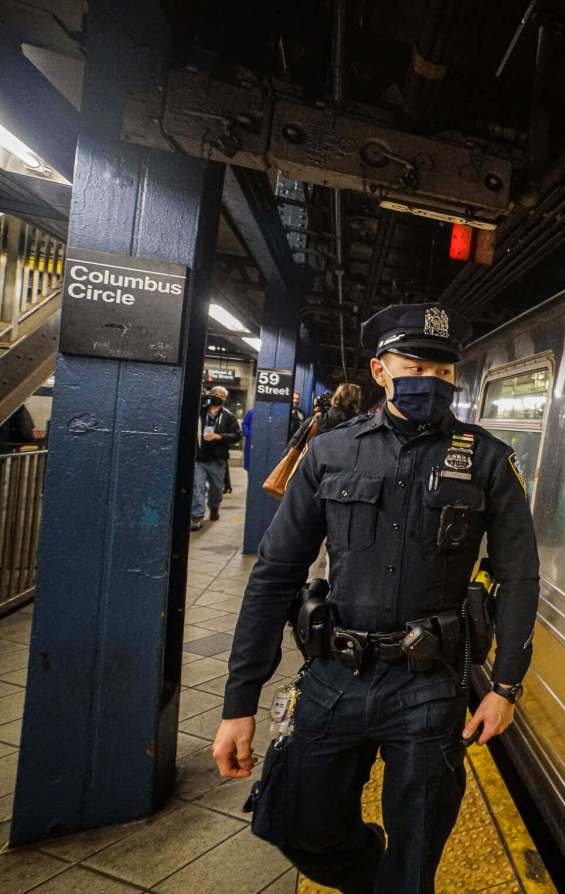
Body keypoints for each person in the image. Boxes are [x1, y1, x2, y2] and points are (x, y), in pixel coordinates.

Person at [212, 302, 540, 894]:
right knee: (295, 825)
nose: (430, 381)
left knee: (416, 857)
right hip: (336, 674)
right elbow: (276, 575)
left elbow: (520, 577)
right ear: (380, 369)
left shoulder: (488, 459)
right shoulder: (331, 452)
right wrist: (240, 701)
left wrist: (506, 686)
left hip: (431, 684)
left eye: (443, 372)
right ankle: (369, 873)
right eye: (415, 364)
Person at [191, 386, 241, 531]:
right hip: (199, 458)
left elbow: (237, 436)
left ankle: (214, 507)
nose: (218, 397)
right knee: (197, 488)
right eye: (215, 394)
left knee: (216, 489)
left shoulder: (229, 416)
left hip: (217, 460)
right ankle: (197, 517)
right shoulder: (200, 412)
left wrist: (219, 436)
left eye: (221, 396)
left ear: (225, 399)